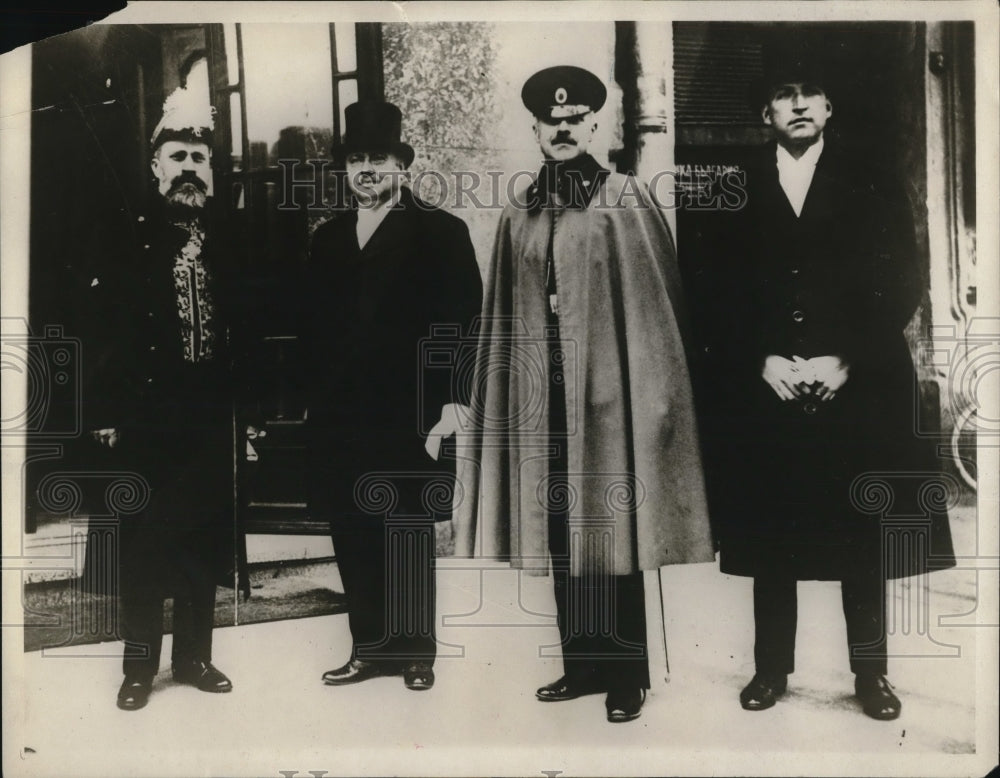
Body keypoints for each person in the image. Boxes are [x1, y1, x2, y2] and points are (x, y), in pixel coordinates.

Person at [693, 49, 956, 720]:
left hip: (857, 386)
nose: (799, 103)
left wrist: (847, 360)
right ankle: (769, 670)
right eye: (785, 93)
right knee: (772, 531)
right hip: (768, 387)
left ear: (829, 107)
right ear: (766, 113)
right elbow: (709, 287)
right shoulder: (733, 184)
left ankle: (871, 675)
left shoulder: (871, 178)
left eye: (811, 91)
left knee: (860, 533)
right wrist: (760, 360)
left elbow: (902, 277)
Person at [456, 66, 714, 723]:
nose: (564, 128)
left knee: (612, 530)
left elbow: (657, 312)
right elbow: (502, 317)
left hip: (609, 398)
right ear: (537, 129)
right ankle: (582, 665)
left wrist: (653, 400)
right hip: (541, 400)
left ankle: (626, 675)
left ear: (594, 125)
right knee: (559, 531)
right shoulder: (519, 209)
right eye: (553, 121)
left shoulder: (625, 198)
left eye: (575, 120)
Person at [305, 101, 483, 692]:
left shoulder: (440, 231)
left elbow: (464, 325)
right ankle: (368, 648)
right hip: (341, 414)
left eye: (378, 158)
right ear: (344, 169)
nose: (366, 169)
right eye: (356, 159)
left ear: (402, 165)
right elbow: (312, 330)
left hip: (411, 413)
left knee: (405, 528)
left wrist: (452, 403)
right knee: (352, 528)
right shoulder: (328, 239)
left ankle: (414, 653)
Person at [84, 84, 250, 711]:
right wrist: (105, 409)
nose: (189, 169)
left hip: (210, 414)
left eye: (198, 159)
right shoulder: (126, 238)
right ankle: (138, 668)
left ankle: (194, 658)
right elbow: (102, 329)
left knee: (202, 538)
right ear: (156, 168)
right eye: (177, 157)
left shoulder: (230, 240)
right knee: (145, 542)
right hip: (145, 413)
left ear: (212, 171)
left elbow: (250, 330)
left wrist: (250, 415)